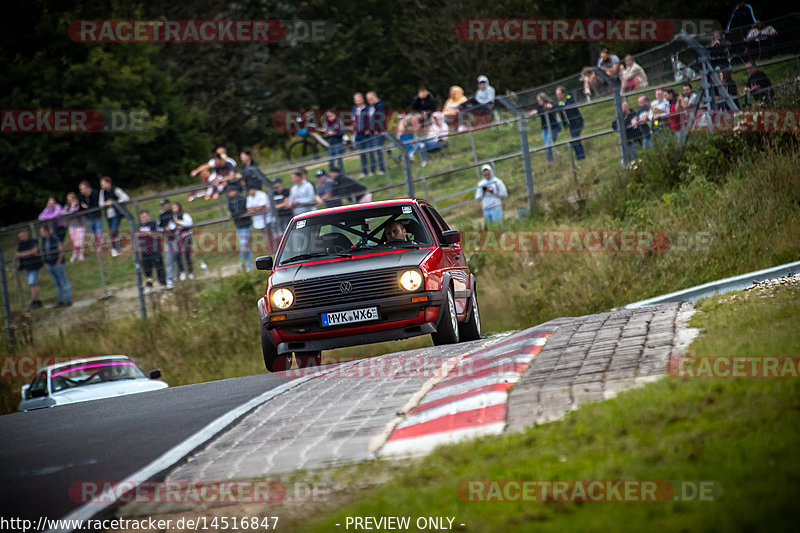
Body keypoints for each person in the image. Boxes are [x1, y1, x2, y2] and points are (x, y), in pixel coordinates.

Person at [39, 225, 72, 307]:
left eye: (42, 232)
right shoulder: (43, 240)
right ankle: (60, 301)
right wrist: (45, 263)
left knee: (64, 282)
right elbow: (43, 252)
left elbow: (61, 250)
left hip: (58, 264)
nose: (41, 234)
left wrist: (59, 262)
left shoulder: (54, 238)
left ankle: (68, 300)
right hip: (50, 265)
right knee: (57, 283)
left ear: (46, 231)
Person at [136, 210, 167, 293]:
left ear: (148, 216)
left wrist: (149, 233)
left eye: (145, 216)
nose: (144, 218)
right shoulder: (139, 226)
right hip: (145, 251)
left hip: (155, 250)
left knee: (159, 268)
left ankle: (163, 284)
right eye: (142, 217)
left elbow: (159, 234)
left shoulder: (154, 224)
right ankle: (150, 286)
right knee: (147, 270)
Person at [99, 176, 130, 257]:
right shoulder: (102, 192)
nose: (103, 186)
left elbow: (126, 198)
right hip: (109, 216)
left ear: (109, 183)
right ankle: (117, 248)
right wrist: (106, 203)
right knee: (113, 232)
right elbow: (101, 204)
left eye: (104, 184)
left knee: (113, 231)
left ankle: (115, 248)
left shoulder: (116, 189)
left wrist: (114, 202)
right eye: (102, 185)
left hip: (117, 214)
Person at [529, 92, 561, 163]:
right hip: (544, 129)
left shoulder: (550, 104)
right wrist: (532, 113)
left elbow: (556, 109)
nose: (538, 101)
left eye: (539, 100)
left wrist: (551, 108)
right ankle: (550, 162)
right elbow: (536, 113)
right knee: (546, 146)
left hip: (553, 128)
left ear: (543, 99)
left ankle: (552, 161)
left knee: (548, 146)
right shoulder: (539, 107)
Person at [227, 185, 253, 271]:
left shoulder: (242, 199)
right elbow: (230, 211)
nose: (229, 194)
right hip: (238, 225)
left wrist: (233, 215)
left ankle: (241, 262)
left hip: (246, 224)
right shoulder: (230, 201)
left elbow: (241, 211)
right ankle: (249, 265)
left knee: (244, 244)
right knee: (246, 246)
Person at [555, 87, 585, 161]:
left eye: (558, 94)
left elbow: (569, 106)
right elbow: (554, 107)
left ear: (563, 94)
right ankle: (581, 157)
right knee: (576, 141)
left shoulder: (570, 99)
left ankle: (581, 157)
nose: (557, 96)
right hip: (571, 125)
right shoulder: (559, 103)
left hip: (577, 122)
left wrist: (561, 107)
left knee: (575, 139)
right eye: (556, 94)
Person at [16, 229, 43, 310]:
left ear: (26, 234)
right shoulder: (21, 244)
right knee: (33, 284)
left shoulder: (33, 241)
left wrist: (23, 254)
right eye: (20, 236)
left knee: (31, 283)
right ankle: (37, 301)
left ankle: (34, 301)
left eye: (22, 235)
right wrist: (27, 253)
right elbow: (17, 254)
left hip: (34, 266)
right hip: (26, 267)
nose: (21, 237)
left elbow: (34, 251)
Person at [246, 182, 275, 254]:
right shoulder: (249, 197)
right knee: (266, 237)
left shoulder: (262, 194)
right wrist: (257, 208)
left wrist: (254, 209)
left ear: (253, 189)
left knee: (271, 236)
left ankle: (275, 250)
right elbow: (249, 208)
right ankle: (272, 251)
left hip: (267, 220)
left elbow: (263, 206)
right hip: (258, 221)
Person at [169, 202, 194, 280]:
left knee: (187, 255)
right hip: (178, 237)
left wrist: (180, 222)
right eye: (173, 208)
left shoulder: (184, 215)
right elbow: (171, 226)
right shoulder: (173, 217)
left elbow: (190, 222)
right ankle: (182, 272)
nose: (174, 209)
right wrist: (175, 226)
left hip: (186, 236)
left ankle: (190, 272)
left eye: (175, 207)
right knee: (178, 255)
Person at [364, 91, 387, 176]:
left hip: (378, 132)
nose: (369, 101)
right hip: (373, 132)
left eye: (370, 99)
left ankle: (382, 169)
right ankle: (376, 169)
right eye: (368, 100)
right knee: (374, 151)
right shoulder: (373, 107)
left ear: (375, 97)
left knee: (379, 151)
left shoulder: (379, 106)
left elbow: (379, 120)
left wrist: (373, 129)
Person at [158, 198, 179, 289]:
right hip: (168, 240)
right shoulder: (162, 215)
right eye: (163, 205)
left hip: (177, 238)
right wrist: (165, 228)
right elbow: (160, 227)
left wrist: (170, 227)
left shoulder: (174, 213)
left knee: (179, 258)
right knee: (169, 261)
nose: (164, 206)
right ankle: (170, 279)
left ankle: (180, 275)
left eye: (166, 204)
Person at [78, 180, 102, 249]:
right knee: (92, 234)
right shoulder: (81, 196)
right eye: (80, 189)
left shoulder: (95, 194)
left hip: (97, 217)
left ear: (87, 188)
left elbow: (96, 206)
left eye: (82, 189)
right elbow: (81, 207)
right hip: (89, 218)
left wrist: (87, 207)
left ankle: (100, 247)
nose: (81, 191)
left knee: (99, 232)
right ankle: (97, 246)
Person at [62, 192, 85, 262]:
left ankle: (80, 255)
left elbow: (73, 212)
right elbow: (63, 213)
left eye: (71, 199)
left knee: (79, 242)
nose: (70, 201)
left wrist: (73, 206)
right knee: (74, 242)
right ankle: (75, 255)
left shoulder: (78, 205)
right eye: (69, 199)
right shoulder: (67, 207)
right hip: (72, 227)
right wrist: (71, 208)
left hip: (80, 226)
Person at [352, 93, 370, 177]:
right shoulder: (354, 110)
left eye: (359, 99)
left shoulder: (368, 109)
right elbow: (353, 121)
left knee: (370, 152)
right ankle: (364, 171)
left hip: (366, 133)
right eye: (356, 99)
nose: (357, 101)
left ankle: (372, 170)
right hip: (358, 134)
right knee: (362, 154)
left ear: (362, 99)